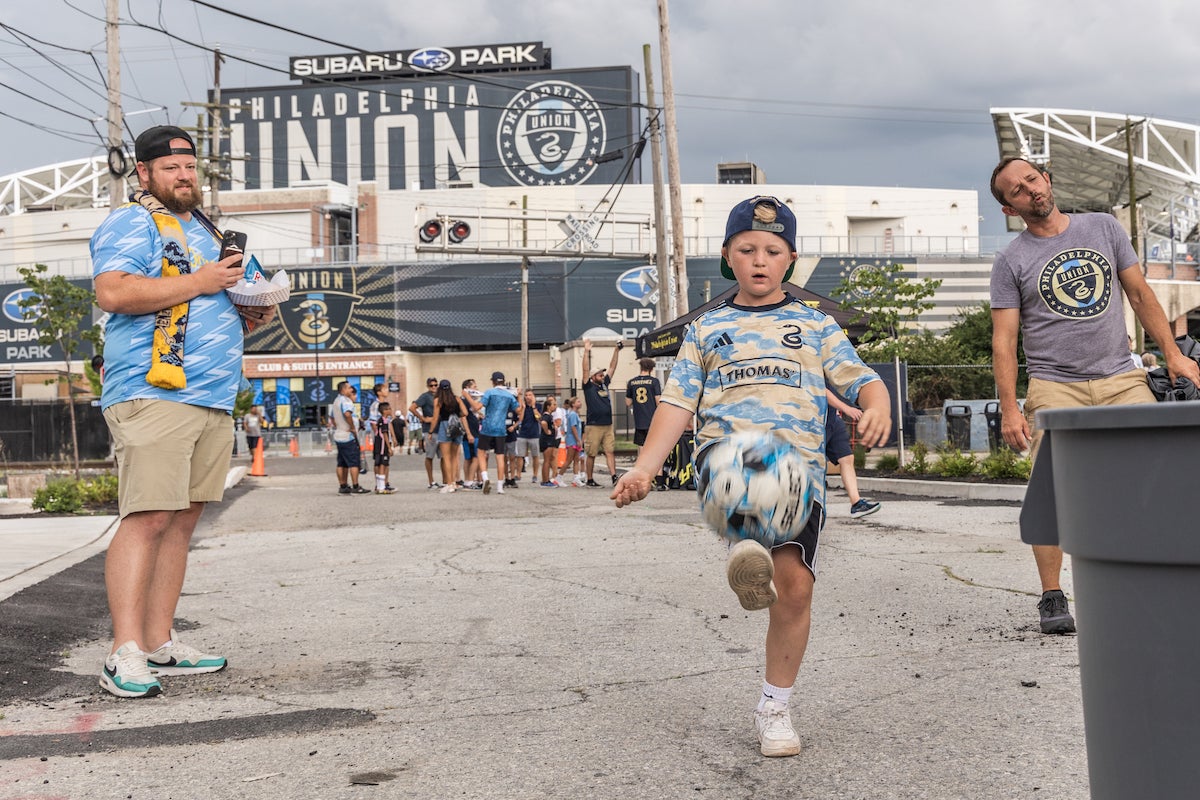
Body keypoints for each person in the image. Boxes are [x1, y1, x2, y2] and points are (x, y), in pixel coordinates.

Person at [610, 196, 891, 757]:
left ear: (790, 259)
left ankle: (774, 707)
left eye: (772, 250)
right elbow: (676, 405)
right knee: (748, 469)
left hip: (803, 474)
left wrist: (877, 403)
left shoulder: (815, 324)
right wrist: (644, 468)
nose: (759, 260)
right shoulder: (706, 330)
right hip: (726, 460)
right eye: (747, 250)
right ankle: (745, 541)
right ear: (726, 257)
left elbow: (862, 379)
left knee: (797, 589)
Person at [90, 124, 277, 698]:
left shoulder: (207, 229)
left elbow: (223, 294)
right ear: (143, 173)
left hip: (214, 394)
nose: (185, 176)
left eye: (191, 167)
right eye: (171, 168)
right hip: (154, 391)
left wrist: (254, 305)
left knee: (183, 519)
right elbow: (114, 293)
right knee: (147, 516)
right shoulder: (132, 221)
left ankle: (159, 641)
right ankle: (124, 653)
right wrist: (200, 281)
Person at [989, 157, 1200, 635]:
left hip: (1120, 376)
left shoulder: (1103, 227)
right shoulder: (1011, 260)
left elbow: (1141, 294)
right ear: (1009, 208)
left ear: (1048, 177)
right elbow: (1004, 340)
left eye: (1032, 179)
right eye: (1016, 191)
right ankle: (1051, 596)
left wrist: (1172, 354)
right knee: (1053, 490)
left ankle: (1154, 579)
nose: (1030, 191)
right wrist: (1008, 407)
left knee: (1156, 476)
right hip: (1053, 384)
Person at [826, 391, 881, 518]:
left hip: (833, 417)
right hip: (813, 419)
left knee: (847, 458)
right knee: (812, 463)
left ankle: (856, 504)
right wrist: (845, 408)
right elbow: (820, 389)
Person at [581, 338, 622, 486]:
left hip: (607, 425)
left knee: (610, 451)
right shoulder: (588, 387)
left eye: (602, 374)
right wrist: (586, 351)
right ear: (592, 377)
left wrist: (616, 351)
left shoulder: (604, 384)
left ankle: (614, 477)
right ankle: (590, 479)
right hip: (594, 425)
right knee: (591, 453)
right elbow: (585, 370)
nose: (602, 376)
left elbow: (612, 367)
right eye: (599, 374)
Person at [475, 371, 519, 495]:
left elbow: (477, 407)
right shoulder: (509, 395)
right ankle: (500, 486)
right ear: (503, 381)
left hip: (488, 427)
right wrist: (519, 396)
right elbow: (519, 410)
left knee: (481, 452)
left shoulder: (489, 392)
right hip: (501, 429)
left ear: (493, 381)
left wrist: (466, 396)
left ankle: (485, 478)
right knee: (500, 457)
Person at [431, 379, 472, 493]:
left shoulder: (438, 400)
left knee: (446, 457)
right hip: (456, 427)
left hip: (444, 425)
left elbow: (435, 418)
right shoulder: (457, 399)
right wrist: (456, 414)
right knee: (455, 457)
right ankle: (454, 482)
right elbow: (465, 412)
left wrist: (430, 432)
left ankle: (449, 483)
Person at [331, 381, 369, 495]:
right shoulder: (346, 401)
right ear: (343, 390)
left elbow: (332, 417)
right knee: (353, 462)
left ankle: (343, 486)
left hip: (339, 434)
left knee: (341, 462)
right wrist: (352, 427)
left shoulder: (336, 401)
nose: (351, 390)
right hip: (348, 436)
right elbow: (347, 414)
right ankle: (355, 486)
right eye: (348, 388)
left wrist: (339, 425)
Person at [625, 357, 661, 455]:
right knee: (654, 446)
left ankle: (641, 468)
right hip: (652, 419)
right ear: (651, 369)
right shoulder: (654, 382)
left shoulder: (631, 382)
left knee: (641, 446)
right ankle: (657, 470)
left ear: (641, 367)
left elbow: (628, 402)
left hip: (639, 420)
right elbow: (658, 401)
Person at [409, 377, 439, 488]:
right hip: (429, 428)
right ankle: (431, 481)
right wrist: (422, 418)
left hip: (441, 428)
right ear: (428, 386)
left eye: (436, 385)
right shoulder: (425, 396)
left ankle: (446, 480)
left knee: (444, 457)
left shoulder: (440, 395)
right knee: (430, 455)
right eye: (432, 385)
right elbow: (412, 408)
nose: (434, 387)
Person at [514, 389, 542, 486]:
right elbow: (520, 419)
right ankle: (518, 474)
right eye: (526, 395)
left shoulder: (538, 406)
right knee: (520, 455)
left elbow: (539, 418)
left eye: (530, 395)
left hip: (534, 434)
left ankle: (535, 475)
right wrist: (523, 406)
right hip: (523, 434)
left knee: (535, 456)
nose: (528, 397)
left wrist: (534, 407)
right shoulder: (523, 406)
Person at [371, 401, 397, 494]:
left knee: (378, 464)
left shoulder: (380, 420)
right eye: (389, 409)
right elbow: (385, 434)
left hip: (377, 444)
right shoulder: (384, 421)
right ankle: (382, 487)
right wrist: (389, 447)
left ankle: (379, 486)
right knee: (383, 464)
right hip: (382, 445)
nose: (391, 410)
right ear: (384, 411)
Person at [538, 395, 561, 486]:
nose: (555, 406)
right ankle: (545, 480)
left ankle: (545, 479)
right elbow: (543, 422)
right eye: (553, 405)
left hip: (550, 440)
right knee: (547, 460)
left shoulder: (550, 416)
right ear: (548, 406)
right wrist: (547, 430)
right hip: (547, 441)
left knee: (547, 460)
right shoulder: (547, 415)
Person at [562, 396, 584, 485]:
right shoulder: (573, 414)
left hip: (575, 440)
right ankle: (559, 477)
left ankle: (576, 478)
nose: (580, 403)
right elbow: (573, 427)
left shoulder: (575, 414)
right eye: (578, 401)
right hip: (572, 440)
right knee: (569, 460)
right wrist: (578, 440)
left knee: (576, 460)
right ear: (573, 404)